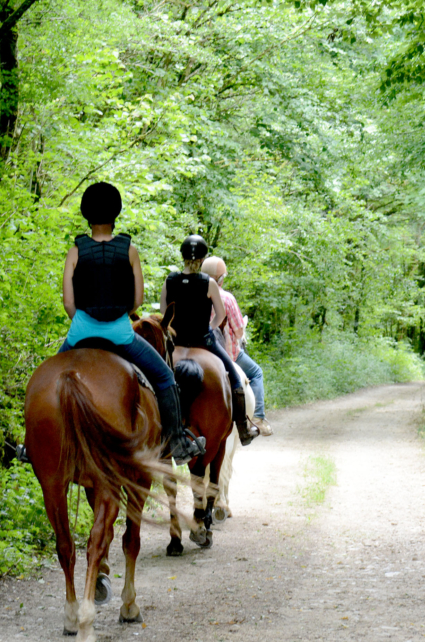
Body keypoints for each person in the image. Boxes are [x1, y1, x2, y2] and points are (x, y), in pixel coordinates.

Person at [59, 182, 204, 464]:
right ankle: (177, 442)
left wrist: (83, 324)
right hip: (121, 334)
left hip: (80, 332)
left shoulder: (75, 252)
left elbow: (68, 303)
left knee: (45, 379)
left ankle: (32, 445)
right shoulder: (129, 251)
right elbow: (136, 301)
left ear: (86, 216)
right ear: (116, 215)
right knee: (165, 378)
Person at [159, 235, 259, 446]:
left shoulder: (169, 281)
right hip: (203, 341)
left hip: (175, 343)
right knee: (234, 377)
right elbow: (220, 315)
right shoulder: (208, 282)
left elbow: (163, 314)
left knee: (153, 376)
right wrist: (209, 329)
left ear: (182, 256)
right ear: (203, 258)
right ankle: (243, 427)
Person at [200, 256, 272, 436]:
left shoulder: (193, 293)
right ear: (221, 278)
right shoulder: (227, 298)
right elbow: (239, 332)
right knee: (256, 373)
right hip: (227, 353)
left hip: (198, 349)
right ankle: (257, 418)